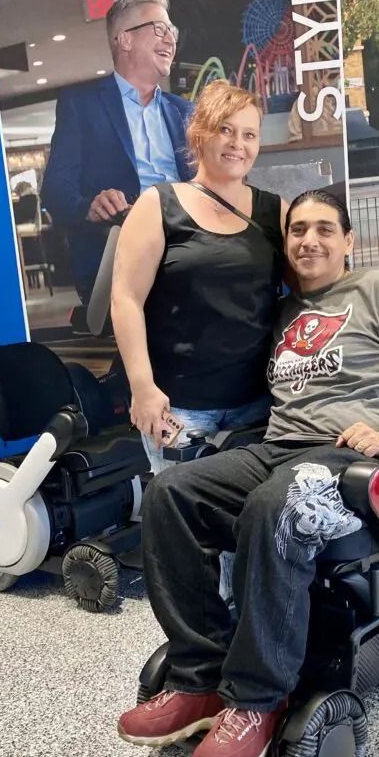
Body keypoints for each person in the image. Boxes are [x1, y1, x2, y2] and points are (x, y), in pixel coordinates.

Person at [116, 190, 379, 757]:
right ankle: (200, 678)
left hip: (352, 461)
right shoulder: (282, 312)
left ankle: (256, 700)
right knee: (172, 493)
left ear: (348, 240)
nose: (310, 240)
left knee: (277, 507)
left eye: (326, 229)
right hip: (277, 449)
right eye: (298, 229)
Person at [110, 80, 287, 474]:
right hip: (178, 409)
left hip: (259, 405)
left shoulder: (275, 212)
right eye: (225, 129)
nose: (237, 143)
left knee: (254, 519)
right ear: (200, 133)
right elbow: (125, 299)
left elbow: (314, 289)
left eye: (249, 134)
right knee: (188, 523)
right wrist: (142, 388)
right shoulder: (159, 205)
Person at [41, 0, 193, 304]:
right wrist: (89, 207)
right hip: (121, 249)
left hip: (189, 241)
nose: (170, 40)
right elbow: (55, 189)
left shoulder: (185, 112)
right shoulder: (81, 105)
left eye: (172, 31)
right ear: (125, 40)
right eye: (160, 29)